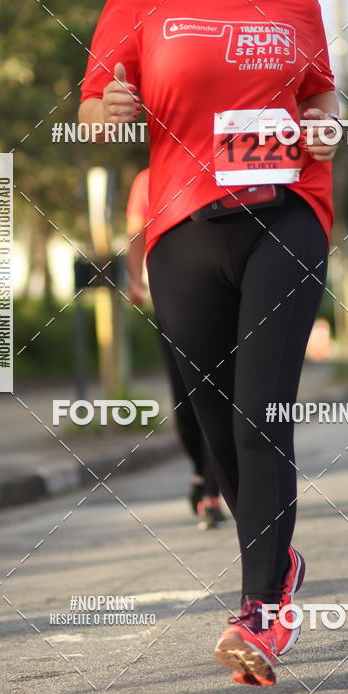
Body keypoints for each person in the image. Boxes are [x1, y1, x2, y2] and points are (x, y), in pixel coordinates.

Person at [79, 0, 341, 686]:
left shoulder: (296, 1)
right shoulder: (140, 1)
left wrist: (329, 125)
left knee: (263, 412)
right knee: (218, 423)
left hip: (286, 214)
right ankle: (280, 565)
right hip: (183, 225)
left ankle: (261, 609)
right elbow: (94, 115)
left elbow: (320, 95)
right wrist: (110, 108)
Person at [126, 167, 226, 529]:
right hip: (170, 305)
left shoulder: (214, 165)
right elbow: (136, 234)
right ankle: (201, 473)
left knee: (218, 397)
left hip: (220, 301)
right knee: (186, 406)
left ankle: (214, 493)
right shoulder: (146, 180)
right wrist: (136, 280)